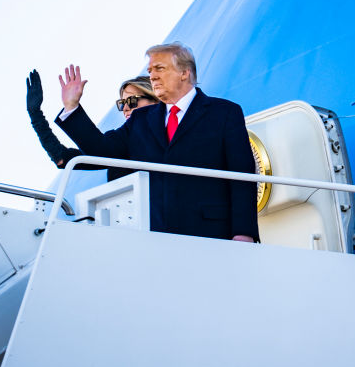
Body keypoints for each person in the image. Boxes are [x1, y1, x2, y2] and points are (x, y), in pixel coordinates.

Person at [54, 43, 259, 242]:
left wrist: (243, 232)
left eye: (160, 68)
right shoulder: (140, 119)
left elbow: (241, 175)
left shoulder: (224, 112)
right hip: (154, 236)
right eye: (150, 70)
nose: (152, 75)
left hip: (212, 234)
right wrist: (72, 107)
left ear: (184, 73)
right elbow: (101, 150)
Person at [26, 70, 159, 181]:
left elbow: (100, 148)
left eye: (131, 101)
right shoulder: (124, 141)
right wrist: (36, 115)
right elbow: (62, 158)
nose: (125, 108)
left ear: (155, 99)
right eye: (122, 104)